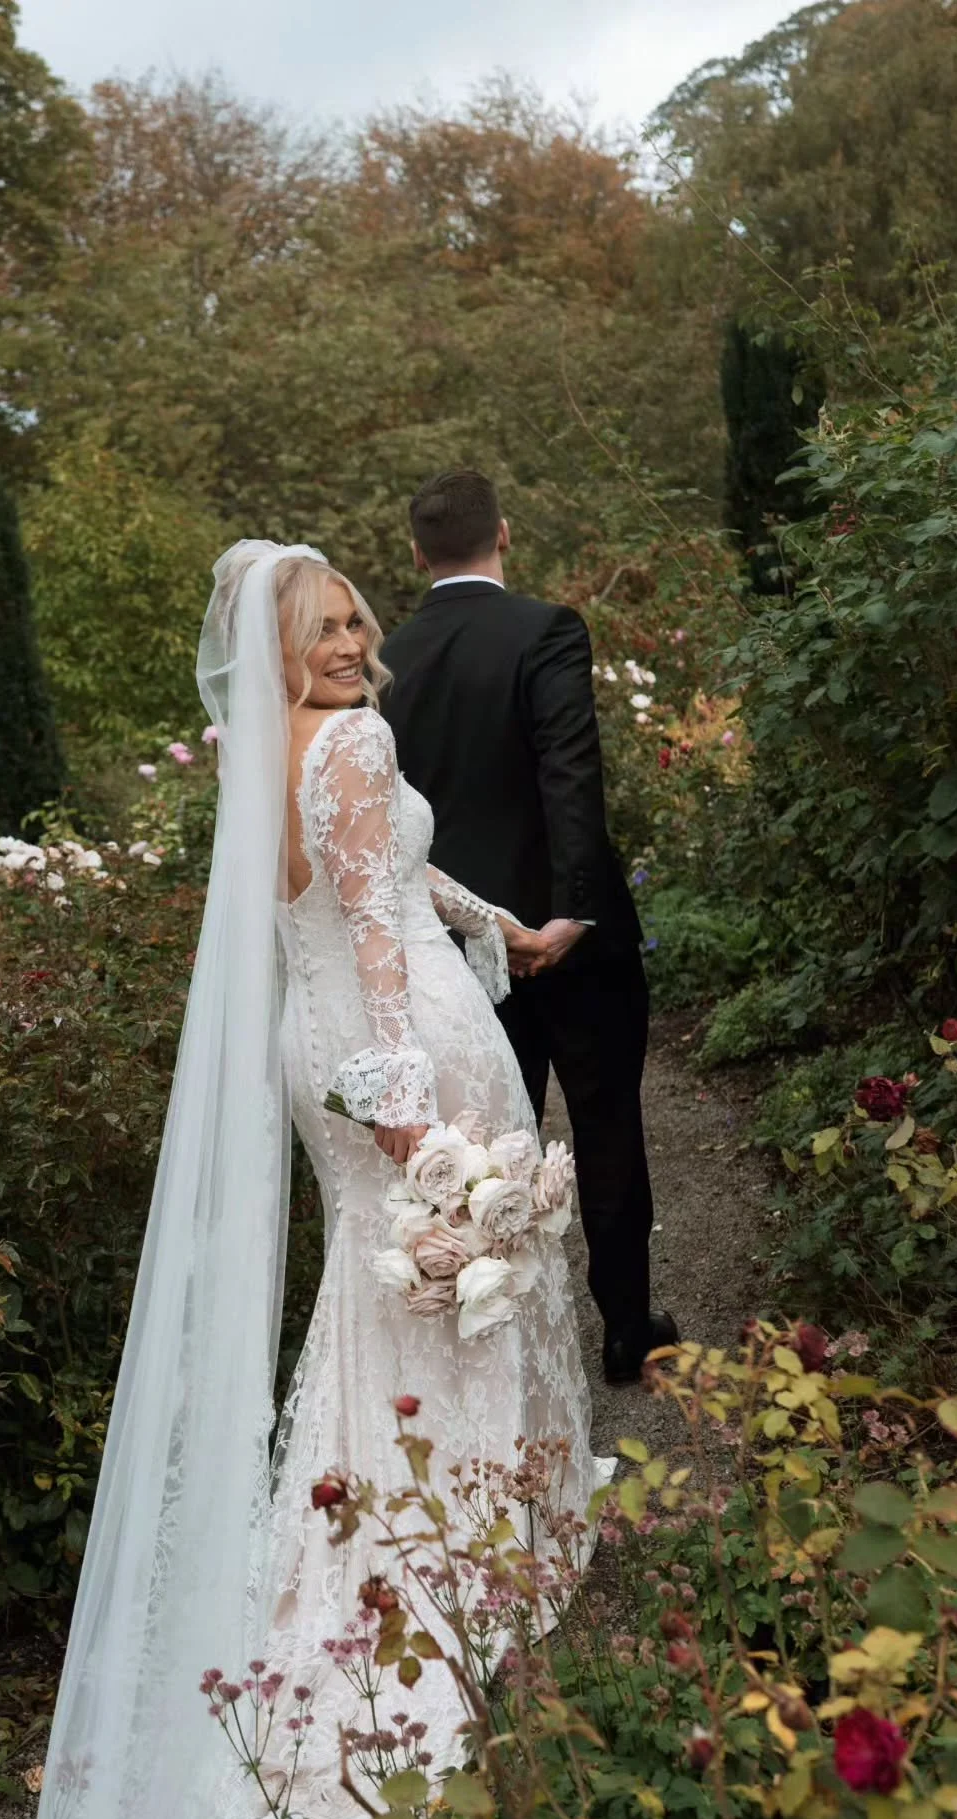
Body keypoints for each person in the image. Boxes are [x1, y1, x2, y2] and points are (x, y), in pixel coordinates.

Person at [0, 542, 609, 1819]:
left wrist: (503, 921)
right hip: (401, 1055)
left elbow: (372, 886)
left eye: (351, 619)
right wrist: (406, 1105)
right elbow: (379, 942)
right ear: (276, 648)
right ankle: (464, 1562)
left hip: (311, 1049)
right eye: (320, 628)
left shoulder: (270, 752)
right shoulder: (363, 739)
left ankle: (384, 1527)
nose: (345, 641)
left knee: (385, 1293)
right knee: (461, 1268)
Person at [380, 469, 676, 1387]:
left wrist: (483, 926)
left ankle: (497, 1341)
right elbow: (569, 774)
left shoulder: (388, 656)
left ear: (418, 553)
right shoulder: (545, 629)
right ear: (503, 535)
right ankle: (628, 1331)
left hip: (462, 945)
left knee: (483, 1142)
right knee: (607, 1125)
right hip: (570, 944)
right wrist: (569, 916)